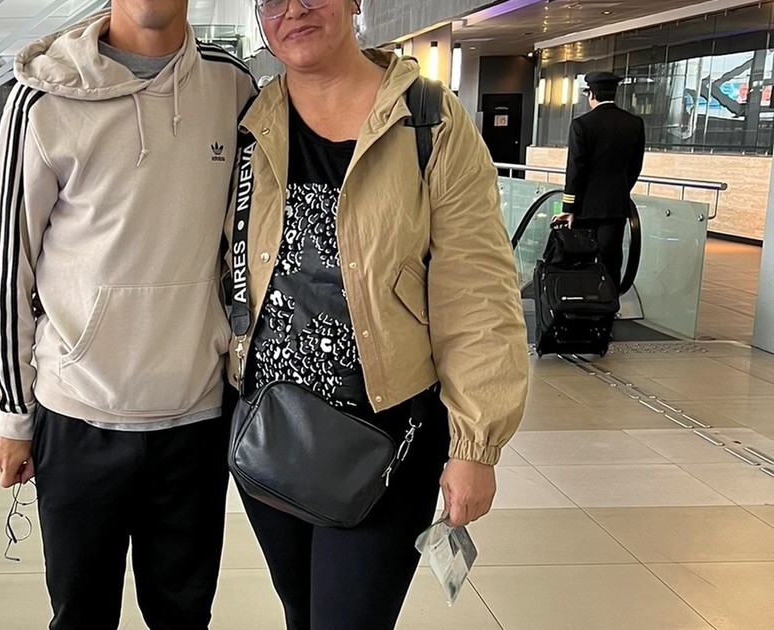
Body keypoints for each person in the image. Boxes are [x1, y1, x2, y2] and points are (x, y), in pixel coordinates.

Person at [226, 0, 529, 628]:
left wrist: (475, 445)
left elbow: (477, 292)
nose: (294, 10)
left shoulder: (429, 119)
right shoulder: (251, 122)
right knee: (301, 609)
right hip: (271, 429)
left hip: (389, 440)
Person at [0, 2, 255, 629]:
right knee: (81, 616)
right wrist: (13, 412)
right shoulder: (41, 98)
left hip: (195, 415)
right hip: (79, 414)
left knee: (184, 617)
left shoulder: (231, 85)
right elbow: (7, 268)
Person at [554, 71, 646, 290]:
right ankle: (609, 301)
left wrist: (569, 208)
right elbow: (635, 166)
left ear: (591, 94)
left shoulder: (582, 124)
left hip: (584, 207)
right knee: (611, 259)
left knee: (581, 258)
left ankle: (582, 301)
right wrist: (621, 190)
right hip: (615, 206)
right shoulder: (634, 123)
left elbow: (575, 170)